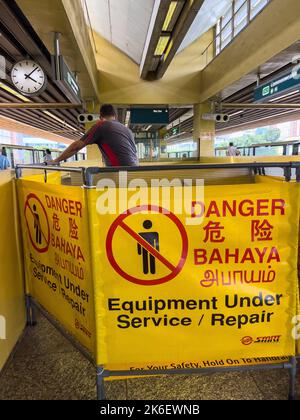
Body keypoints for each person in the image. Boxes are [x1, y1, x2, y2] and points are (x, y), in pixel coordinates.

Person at [48, 104, 139, 167]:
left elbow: (76, 147)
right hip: (135, 170)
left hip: (119, 171)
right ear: (115, 116)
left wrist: (56, 161)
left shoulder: (101, 125)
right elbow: (133, 153)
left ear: (100, 116)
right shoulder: (127, 130)